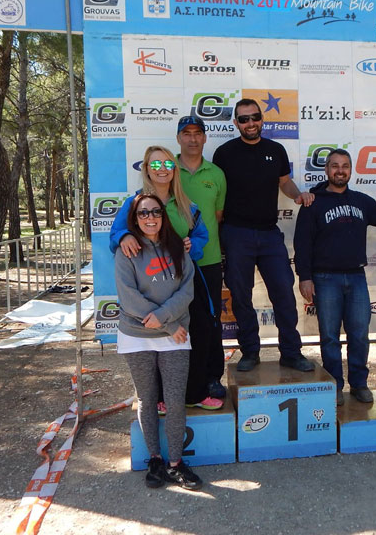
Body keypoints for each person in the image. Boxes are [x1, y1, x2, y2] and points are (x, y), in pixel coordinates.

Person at [294, 148, 376, 406]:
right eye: (335, 165)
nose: (340, 170)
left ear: (350, 170)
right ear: (326, 169)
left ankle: (359, 384)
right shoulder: (314, 202)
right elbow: (302, 243)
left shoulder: (361, 201)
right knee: (329, 337)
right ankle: (334, 385)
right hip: (325, 278)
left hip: (357, 277)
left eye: (345, 166)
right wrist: (305, 277)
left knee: (359, 334)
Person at [110, 145, 221, 411]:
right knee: (156, 334)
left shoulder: (187, 205)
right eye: (156, 164)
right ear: (146, 169)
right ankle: (159, 398)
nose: (162, 169)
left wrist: (192, 245)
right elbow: (115, 234)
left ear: (175, 170)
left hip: (183, 280)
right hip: (150, 282)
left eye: (168, 164)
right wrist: (124, 237)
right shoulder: (134, 204)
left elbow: (201, 236)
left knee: (201, 329)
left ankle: (195, 393)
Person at [212, 98, 315, 372]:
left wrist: (298, 195)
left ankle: (291, 352)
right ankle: (250, 352)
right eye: (243, 119)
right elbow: (216, 194)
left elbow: (284, 182)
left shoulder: (275, 150)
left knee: (284, 293)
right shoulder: (224, 153)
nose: (250, 123)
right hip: (236, 234)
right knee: (241, 296)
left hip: (270, 234)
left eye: (254, 117)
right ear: (236, 123)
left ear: (261, 119)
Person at [114, 192, 201, 490]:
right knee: (147, 399)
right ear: (134, 218)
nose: (149, 218)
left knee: (175, 401)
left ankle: (176, 463)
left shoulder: (178, 247)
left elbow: (187, 290)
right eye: (143, 213)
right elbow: (129, 299)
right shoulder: (127, 251)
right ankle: (155, 459)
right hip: (138, 335)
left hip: (174, 336)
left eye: (155, 212)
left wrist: (166, 320)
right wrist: (170, 323)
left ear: (163, 216)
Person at [176, 115, 227, 399]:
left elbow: (217, 216)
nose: (192, 138)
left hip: (207, 261)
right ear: (178, 138)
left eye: (198, 133)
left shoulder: (216, 174)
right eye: (187, 133)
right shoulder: (167, 169)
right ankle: (176, 382)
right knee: (174, 321)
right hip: (171, 264)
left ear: (205, 138)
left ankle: (212, 378)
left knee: (210, 322)